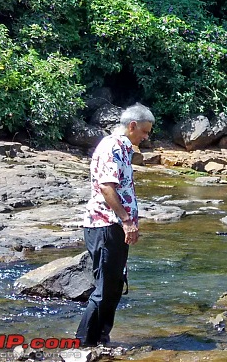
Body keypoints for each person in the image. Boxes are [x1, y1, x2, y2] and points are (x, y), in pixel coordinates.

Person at [76, 103, 154, 346]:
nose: (146, 137)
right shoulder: (113, 147)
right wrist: (127, 220)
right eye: (145, 131)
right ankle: (83, 342)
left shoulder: (122, 147)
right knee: (105, 289)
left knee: (114, 287)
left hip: (113, 226)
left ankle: (101, 337)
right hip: (105, 225)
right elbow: (106, 187)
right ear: (132, 126)